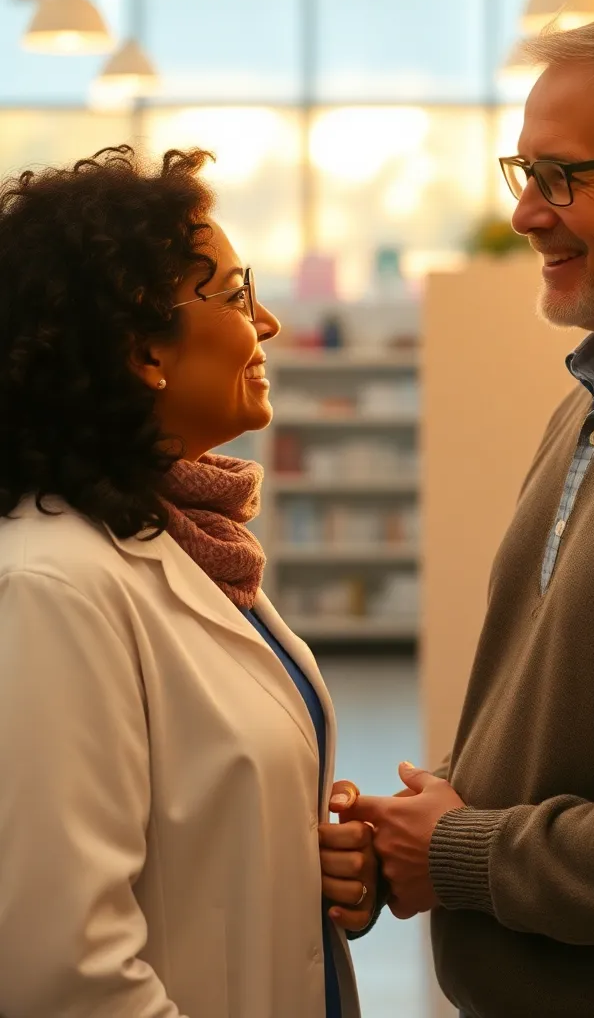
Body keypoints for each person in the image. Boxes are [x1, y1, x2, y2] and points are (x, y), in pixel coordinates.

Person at [333, 0, 594, 1017]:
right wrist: (417, 826)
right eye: (523, 174)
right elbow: (574, 711)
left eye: (561, 177)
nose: (528, 212)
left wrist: (458, 851)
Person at [0, 144, 376, 1018]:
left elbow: (192, 842)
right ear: (143, 349)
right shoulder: (54, 588)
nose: (270, 322)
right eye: (239, 294)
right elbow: (63, 970)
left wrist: (311, 864)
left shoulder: (190, 544)